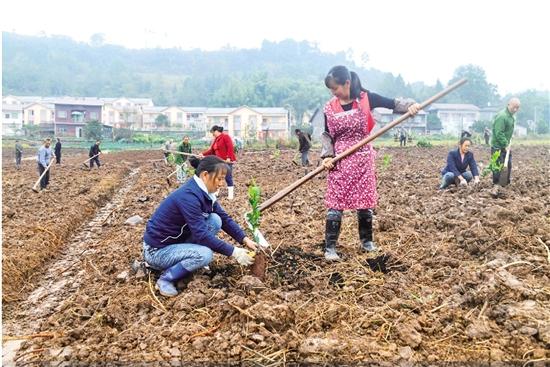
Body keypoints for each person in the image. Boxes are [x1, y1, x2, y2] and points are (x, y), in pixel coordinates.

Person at [321, 65, 420, 260]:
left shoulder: (367, 98)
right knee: (336, 203)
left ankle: (367, 242)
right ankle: (330, 247)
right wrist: (327, 157)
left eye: (336, 88)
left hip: (363, 158)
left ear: (347, 83)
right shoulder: (330, 107)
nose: (334, 93)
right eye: (331, 90)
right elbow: (326, 135)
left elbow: (393, 103)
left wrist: (411, 105)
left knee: (364, 202)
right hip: (340, 160)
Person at [143, 156, 258, 297]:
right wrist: (234, 252)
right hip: (157, 251)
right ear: (205, 175)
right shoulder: (188, 197)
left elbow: (224, 218)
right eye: (220, 179)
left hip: (176, 242)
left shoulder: (203, 193)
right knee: (205, 254)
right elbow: (202, 235)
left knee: (215, 219)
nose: (222, 183)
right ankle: (166, 278)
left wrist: (244, 239)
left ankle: (191, 260)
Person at [201, 126, 237, 200]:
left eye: (213, 132)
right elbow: (211, 151)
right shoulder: (216, 140)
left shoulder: (225, 137)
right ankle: (216, 192)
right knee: (218, 176)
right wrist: (203, 154)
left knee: (228, 176)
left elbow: (230, 147)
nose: (212, 134)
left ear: (216, 131)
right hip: (218, 161)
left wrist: (228, 157)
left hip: (226, 161)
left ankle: (231, 195)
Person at [491, 98, 520, 185]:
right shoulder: (502, 116)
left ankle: (505, 184)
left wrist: (510, 136)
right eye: (514, 107)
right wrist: (505, 143)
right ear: (508, 105)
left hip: (506, 145)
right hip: (498, 146)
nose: (515, 110)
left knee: (508, 165)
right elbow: (498, 132)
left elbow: (507, 129)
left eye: (517, 108)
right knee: (497, 166)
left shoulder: (511, 117)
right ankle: (496, 184)